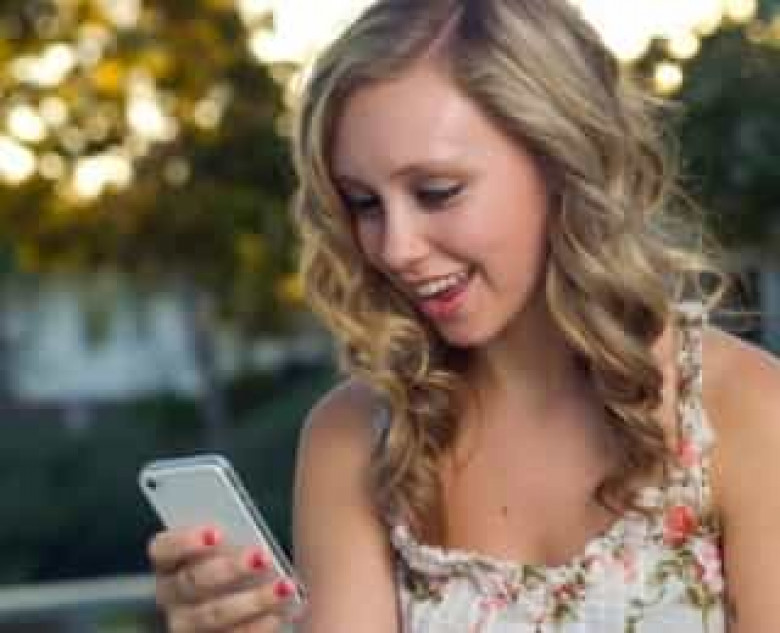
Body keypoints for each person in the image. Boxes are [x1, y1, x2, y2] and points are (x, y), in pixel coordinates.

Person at [147, 0, 780, 631]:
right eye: (364, 203)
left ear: (560, 162)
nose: (395, 247)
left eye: (436, 192)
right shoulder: (357, 440)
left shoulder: (746, 413)